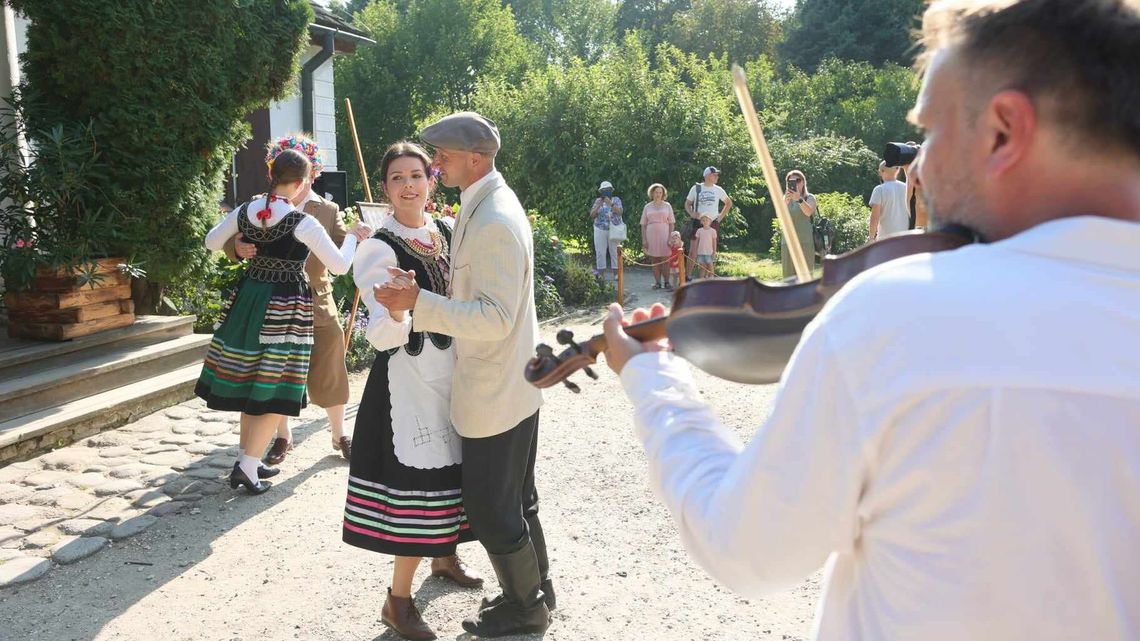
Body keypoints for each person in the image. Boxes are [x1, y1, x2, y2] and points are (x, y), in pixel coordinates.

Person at [600, 0, 1140, 639]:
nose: (918, 166)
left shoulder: (900, 313)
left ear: (1002, 130)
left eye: (932, 132)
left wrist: (655, 382)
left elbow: (744, 549)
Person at [374, 112, 553, 637]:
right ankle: (536, 591)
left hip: (495, 388)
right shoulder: (489, 204)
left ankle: (525, 609)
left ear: (474, 158)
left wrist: (418, 302)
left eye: (443, 155)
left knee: (492, 507)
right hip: (510, 383)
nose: (435, 164)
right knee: (517, 499)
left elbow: (495, 318)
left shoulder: (493, 219)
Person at [345, 141, 482, 641]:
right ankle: (397, 602)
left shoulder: (446, 231)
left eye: (416, 175)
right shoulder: (379, 247)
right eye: (397, 178)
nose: (408, 185)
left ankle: (443, 558)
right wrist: (400, 310)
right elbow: (379, 334)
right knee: (420, 486)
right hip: (409, 380)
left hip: (454, 374)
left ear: (431, 180)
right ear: (385, 188)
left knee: (454, 471)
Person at [197, 149, 370, 494]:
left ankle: (250, 457)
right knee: (271, 385)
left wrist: (241, 240)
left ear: (271, 175)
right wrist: (353, 236)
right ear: (305, 180)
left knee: (252, 380)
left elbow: (211, 240)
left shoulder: (248, 209)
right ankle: (247, 467)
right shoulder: (300, 221)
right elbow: (338, 265)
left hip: (249, 301)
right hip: (285, 307)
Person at [223, 134, 354, 465]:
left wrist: (365, 244)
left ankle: (340, 434)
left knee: (330, 365)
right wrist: (236, 248)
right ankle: (282, 436)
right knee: (272, 371)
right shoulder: (257, 204)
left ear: (313, 172)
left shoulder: (327, 209)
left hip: (317, 301)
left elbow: (342, 247)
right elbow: (230, 238)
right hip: (272, 302)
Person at [684, 167, 732, 280]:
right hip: (697, 222)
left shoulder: (718, 189)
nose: (717, 177)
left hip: (712, 223)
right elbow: (687, 203)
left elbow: (728, 203)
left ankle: (705, 278)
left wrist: (719, 218)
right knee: (693, 251)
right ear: (706, 176)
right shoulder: (696, 188)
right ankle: (687, 276)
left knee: (708, 252)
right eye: (714, 175)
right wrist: (691, 213)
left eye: (717, 175)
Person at [780, 170, 817, 279]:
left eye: (798, 180)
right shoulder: (785, 199)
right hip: (787, 243)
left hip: (805, 242)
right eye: (791, 181)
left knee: (806, 277)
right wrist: (785, 203)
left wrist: (799, 199)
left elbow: (808, 212)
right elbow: (780, 217)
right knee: (788, 279)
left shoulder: (809, 197)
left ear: (803, 182)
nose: (795, 183)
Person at [640, 183, 675, 289]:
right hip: (651, 235)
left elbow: (672, 223)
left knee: (665, 259)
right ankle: (657, 283)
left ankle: (667, 282)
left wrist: (670, 237)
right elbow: (643, 224)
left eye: (660, 192)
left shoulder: (667, 205)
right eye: (656, 192)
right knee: (655, 260)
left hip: (665, 235)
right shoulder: (647, 206)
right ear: (652, 193)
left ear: (663, 194)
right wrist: (644, 239)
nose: (658, 194)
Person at [590, 181, 624, 281]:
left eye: (608, 190)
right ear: (601, 191)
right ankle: (601, 275)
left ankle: (616, 274)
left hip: (614, 229)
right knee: (600, 252)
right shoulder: (598, 201)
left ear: (611, 191)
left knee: (614, 251)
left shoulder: (616, 199)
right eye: (604, 190)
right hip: (600, 229)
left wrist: (610, 203)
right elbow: (592, 215)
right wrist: (598, 205)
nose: (606, 192)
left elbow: (620, 212)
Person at [868, 160, 909, 241]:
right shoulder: (906, 188)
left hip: (885, 239)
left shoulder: (879, 190)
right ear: (898, 170)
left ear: (880, 172)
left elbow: (875, 217)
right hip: (906, 237)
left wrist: (871, 237)